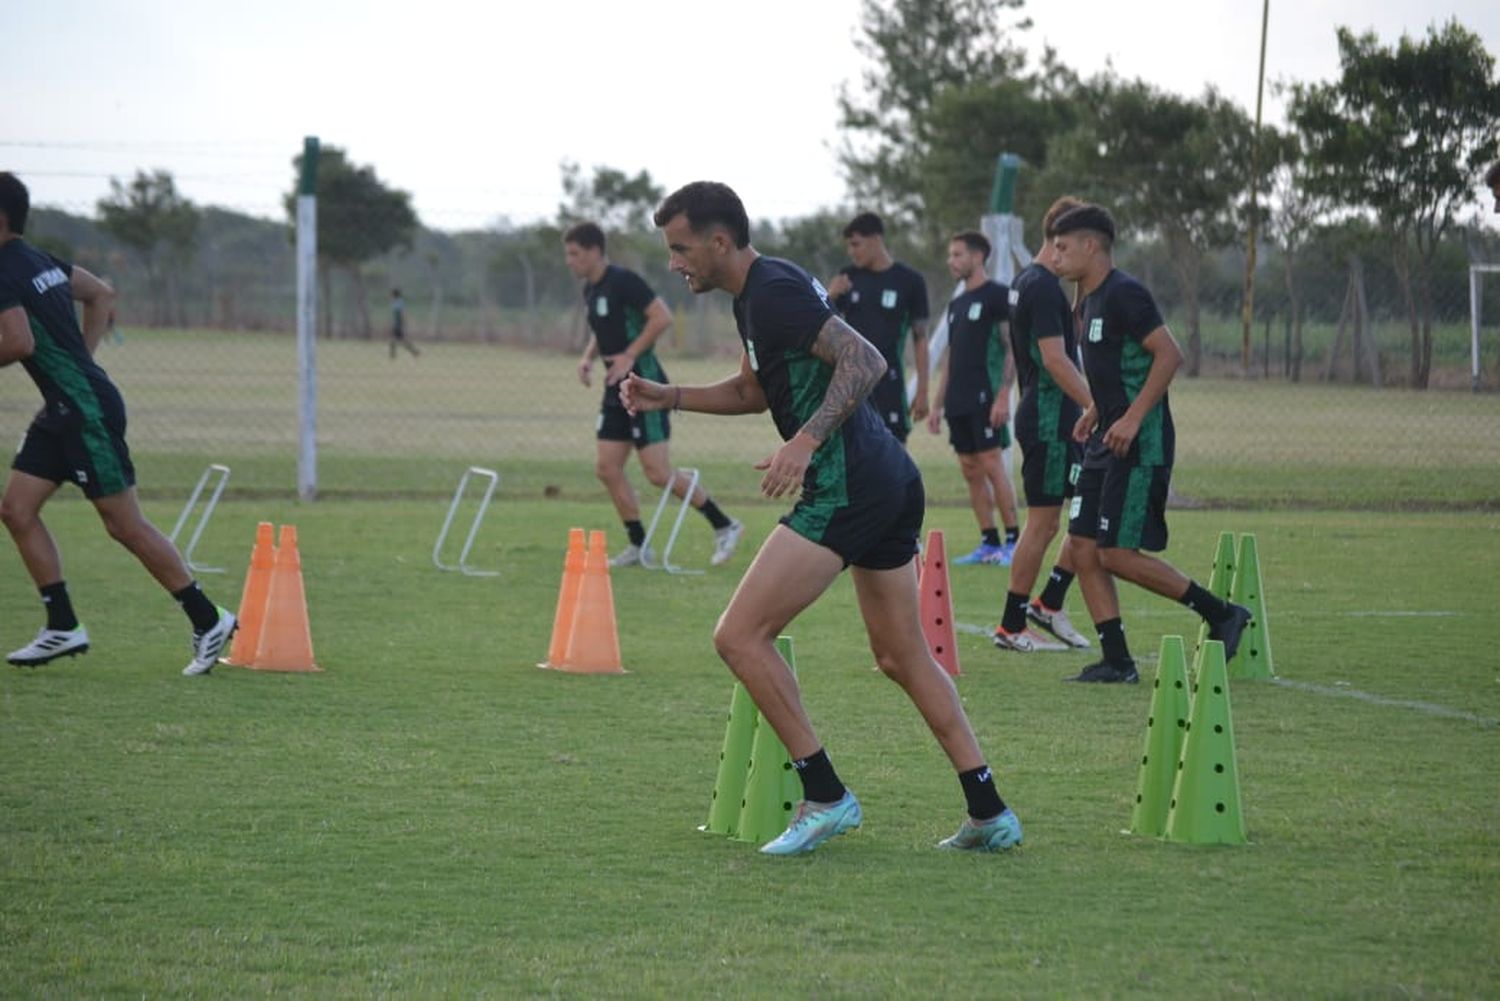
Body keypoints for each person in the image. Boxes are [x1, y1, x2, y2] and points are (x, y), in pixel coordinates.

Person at [622, 181, 1021, 855]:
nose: (675, 262)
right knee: (902, 656)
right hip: (887, 478)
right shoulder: (759, 296)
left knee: (740, 635)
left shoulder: (772, 290)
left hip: (848, 483)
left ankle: (826, 793)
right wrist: (673, 394)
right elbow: (754, 389)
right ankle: (989, 809)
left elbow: (864, 360)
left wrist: (804, 442)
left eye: (681, 247)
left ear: (720, 242)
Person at [0, 172, 236, 676]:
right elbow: (102, 293)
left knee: (123, 525)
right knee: (17, 509)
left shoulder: (4, 268)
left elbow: (19, 343)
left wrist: (75, 375)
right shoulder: (40, 260)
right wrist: (80, 366)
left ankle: (208, 618)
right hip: (66, 408)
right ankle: (62, 625)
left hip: (83, 410)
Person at [1050, 204, 1250, 683]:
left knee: (1115, 552)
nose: (1054, 257)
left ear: (1091, 246)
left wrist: (1134, 419)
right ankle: (1117, 661)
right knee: (1080, 545)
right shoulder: (1086, 301)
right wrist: (1097, 411)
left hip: (1139, 444)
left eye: (1062, 247)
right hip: (1106, 436)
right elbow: (1115, 370)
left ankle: (1221, 613)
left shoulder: (1125, 294)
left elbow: (1169, 354)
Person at [563, 222, 742, 568]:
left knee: (658, 473)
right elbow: (603, 330)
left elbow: (660, 318)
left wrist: (630, 355)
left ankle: (726, 525)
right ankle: (639, 545)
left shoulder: (624, 282)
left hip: (646, 387)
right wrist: (587, 359)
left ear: (595, 251)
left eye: (574, 253)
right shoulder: (591, 290)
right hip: (614, 391)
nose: (570, 261)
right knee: (607, 467)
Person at [993, 197, 1095, 652]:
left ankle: (1048, 604)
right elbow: (1056, 360)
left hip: (1049, 416)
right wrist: (1100, 406)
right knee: (1046, 523)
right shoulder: (1042, 288)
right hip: (1053, 419)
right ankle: (1013, 624)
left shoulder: (1028, 282)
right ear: (1060, 240)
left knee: (1083, 516)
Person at [926, 231, 1020, 566]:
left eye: (957, 255)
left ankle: (1013, 542)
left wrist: (1004, 395)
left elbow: (1012, 347)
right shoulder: (957, 303)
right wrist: (937, 404)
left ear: (978, 257)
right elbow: (950, 357)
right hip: (958, 400)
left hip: (986, 396)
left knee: (992, 464)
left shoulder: (998, 296)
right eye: (950, 255)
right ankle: (988, 542)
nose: (951, 261)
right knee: (969, 469)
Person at [824, 212, 930, 445]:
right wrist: (830, 295)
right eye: (849, 246)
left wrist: (922, 391)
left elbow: (920, 339)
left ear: (876, 240)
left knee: (894, 452)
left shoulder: (910, 281)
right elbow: (823, 323)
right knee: (852, 451)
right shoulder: (848, 278)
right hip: (852, 383)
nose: (851, 252)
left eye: (856, 244)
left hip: (889, 382)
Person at [389, 287, 420, 359]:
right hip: (396, 324)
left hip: (398, 325)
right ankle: (414, 352)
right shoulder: (396, 302)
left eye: (391, 294)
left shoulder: (399, 302)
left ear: (394, 295)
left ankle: (393, 356)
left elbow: (403, 313)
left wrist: (406, 322)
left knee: (397, 340)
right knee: (400, 340)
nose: (390, 296)